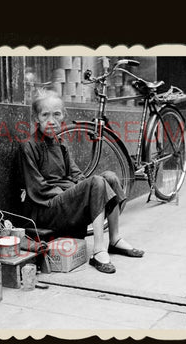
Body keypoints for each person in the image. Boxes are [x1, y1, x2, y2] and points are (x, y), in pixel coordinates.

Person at [19, 89, 144, 274]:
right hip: (46, 208)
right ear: (36, 118)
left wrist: (85, 192)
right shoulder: (28, 146)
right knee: (95, 183)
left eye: (57, 114)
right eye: (45, 115)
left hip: (64, 203)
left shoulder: (60, 142)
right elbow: (37, 189)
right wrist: (73, 196)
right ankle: (98, 250)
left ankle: (114, 239)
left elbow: (76, 174)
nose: (51, 121)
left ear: (63, 117)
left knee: (109, 177)